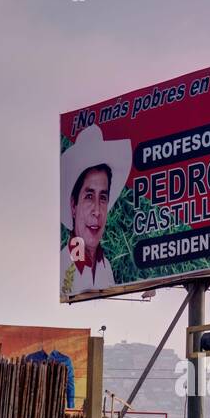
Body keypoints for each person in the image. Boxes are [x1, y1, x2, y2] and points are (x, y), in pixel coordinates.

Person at [59, 124, 132, 299]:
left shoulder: (105, 267)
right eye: (89, 196)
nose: (97, 211)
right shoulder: (63, 264)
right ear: (73, 205)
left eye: (103, 198)